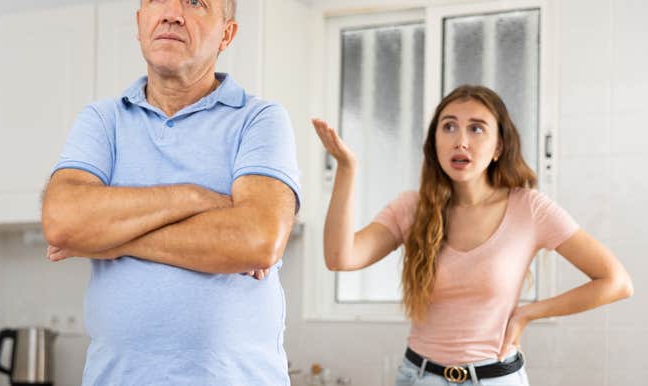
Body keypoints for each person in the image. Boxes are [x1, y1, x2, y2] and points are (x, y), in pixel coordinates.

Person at [41, 0, 301, 384]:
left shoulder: (260, 120)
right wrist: (195, 198)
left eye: (196, 2)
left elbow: (257, 239)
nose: (172, 13)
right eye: (157, 0)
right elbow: (62, 220)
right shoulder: (101, 121)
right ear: (140, 21)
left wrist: (111, 240)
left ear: (226, 34)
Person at [311, 85, 633, 386]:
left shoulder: (529, 208)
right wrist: (346, 169)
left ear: (499, 147)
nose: (460, 140)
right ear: (434, 142)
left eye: (476, 128)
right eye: (448, 127)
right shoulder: (412, 208)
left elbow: (616, 281)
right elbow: (340, 257)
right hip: (419, 376)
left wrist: (528, 313)